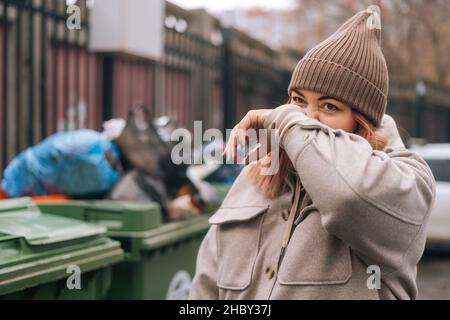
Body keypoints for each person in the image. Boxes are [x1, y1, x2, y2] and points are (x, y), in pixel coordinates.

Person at [189, 6, 436, 300]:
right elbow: (204, 290)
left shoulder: (407, 180)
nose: (307, 117)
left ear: (363, 122)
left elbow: (349, 198)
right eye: (298, 100)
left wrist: (289, 120)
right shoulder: (254, 177)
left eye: (329, 107)